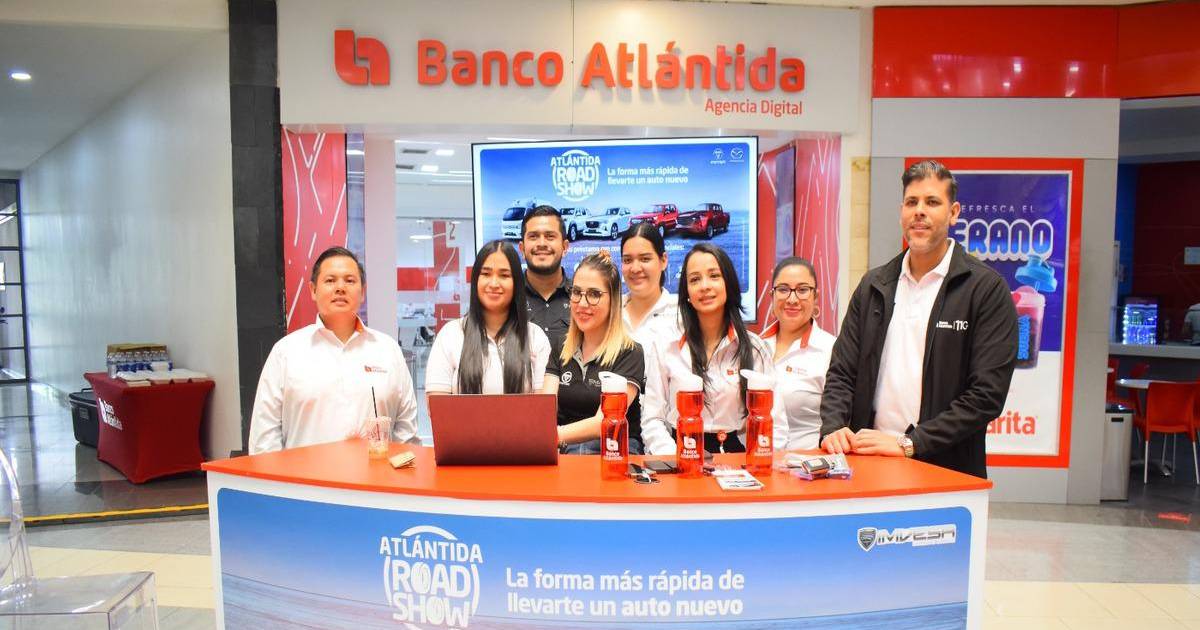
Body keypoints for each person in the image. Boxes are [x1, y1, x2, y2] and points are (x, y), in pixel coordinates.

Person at [819, 160, 1018, 478]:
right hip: (868, 462)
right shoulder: (874, 285)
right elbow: (842, 371)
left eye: (932, 202)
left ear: (953, 213)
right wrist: (833, 426)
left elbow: (986, 395)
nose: (919, 211)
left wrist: (910, 443)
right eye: (912, 202)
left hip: (946, 470)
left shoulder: (986, 289)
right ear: (901, 211)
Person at [249, 247, 419, 454]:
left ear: (363, 291)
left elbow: (407, 433)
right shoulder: (286, 352)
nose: (340, 288)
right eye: (330, 280)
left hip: (377, 473)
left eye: (350, 280)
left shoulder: (387, 350)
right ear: (313, 290)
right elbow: (264, 439)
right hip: (305, 475)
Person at [641, 243, 785, 455]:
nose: (704, 286)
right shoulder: (666, 345)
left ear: (729, 283)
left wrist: (758, 462)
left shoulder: (754, 348)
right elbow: (652, 419)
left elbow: (776, 423)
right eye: (695, 279)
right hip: (680, 452)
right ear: (687, 292)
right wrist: (674, 459)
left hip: (739, 457)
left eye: (714, 276)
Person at [542, 251, 646, 454]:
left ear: (613, 300)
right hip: (565, 449)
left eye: (594, 294)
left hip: (613, 450)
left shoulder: (630, 352)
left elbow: (605, 421)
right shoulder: (561, 346)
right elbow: (545, 410)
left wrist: (553, 435)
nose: (582, 303)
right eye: (576, 292)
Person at [425, 240, 551, 395]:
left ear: (517, 283)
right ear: (476, 280)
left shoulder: (535, 337)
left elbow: (542, 405)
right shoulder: (450, 334)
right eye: (486, 274)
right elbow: (437, 403)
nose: (494, 283)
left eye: (504, 275)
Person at [762, 257, 835, 451]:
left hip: (808, 463)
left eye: (802, 290)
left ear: (815, 296)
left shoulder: (831, 350)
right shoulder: (754, 347)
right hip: (754, 462)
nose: (792, 299)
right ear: (772, 295)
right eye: (783, 289)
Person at [519, 205, 572, 349]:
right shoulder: (508, 298)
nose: (541, 243)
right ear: (522, 249)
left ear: (565, 247)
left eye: (550, 236)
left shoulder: (582, 298)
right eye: (533, 236)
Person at [620, 222, 680, 344]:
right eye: (627, 260)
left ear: (663, 260)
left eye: (645, 259)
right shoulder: (610, 312)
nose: (635, 269)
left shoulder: (682, 314)